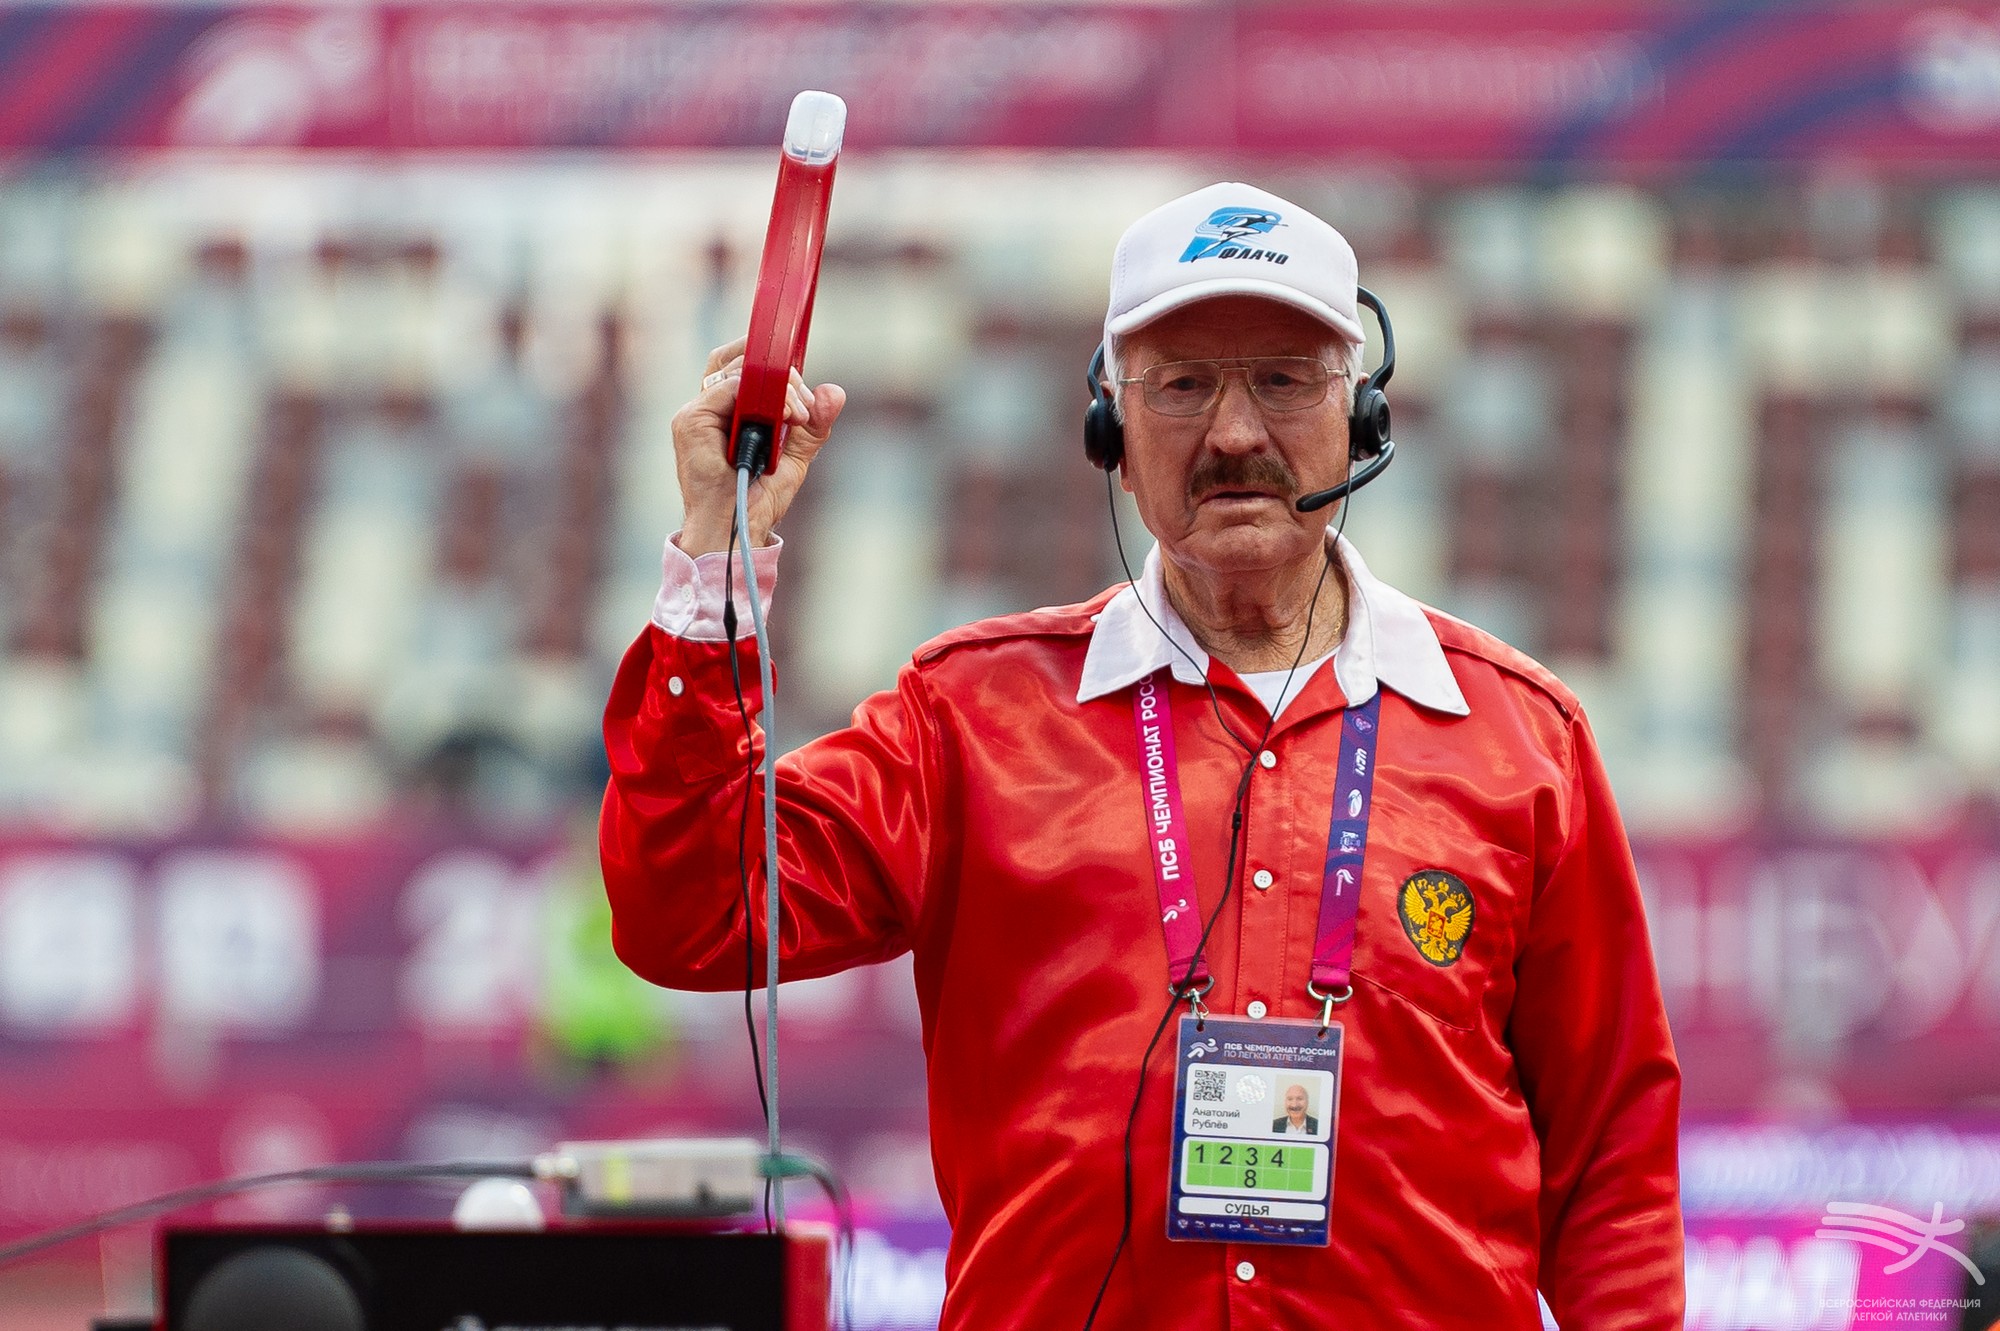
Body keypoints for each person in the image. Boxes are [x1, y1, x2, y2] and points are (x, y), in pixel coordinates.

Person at [601, 182, 1683, 1328]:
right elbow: (691, 913)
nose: (1234, 433)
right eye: (1180, 385)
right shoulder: (969, 717)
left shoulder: (1520, 741)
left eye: (1282, 379)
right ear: (1110, 434)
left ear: (1359, 414)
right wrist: (719, 549)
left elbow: (1611, 1159)